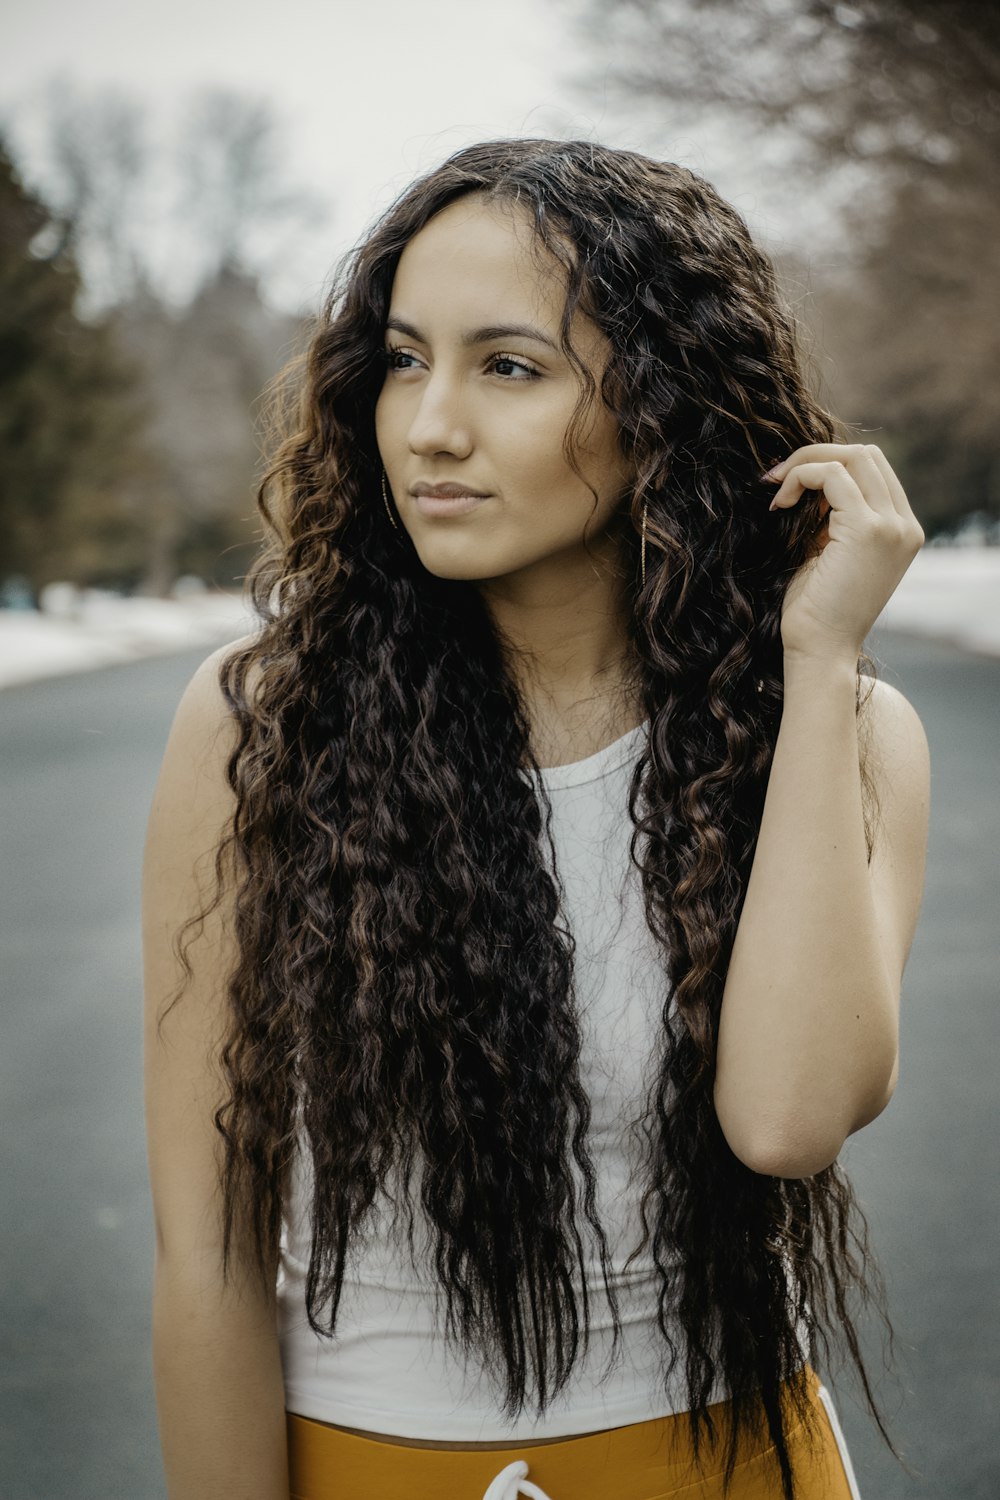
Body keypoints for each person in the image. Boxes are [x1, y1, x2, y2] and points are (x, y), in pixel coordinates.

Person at [142, 138, 930, 1500]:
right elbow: (207, 1244)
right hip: (373, 1466)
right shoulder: (258, 727)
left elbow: (789, 1121)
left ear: (663, 407)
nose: (429, 423)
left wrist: (814, 661)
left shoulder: (845, 730)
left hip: (733, 1462)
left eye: (510, 366)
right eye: (400, 358)